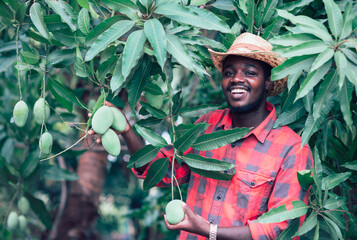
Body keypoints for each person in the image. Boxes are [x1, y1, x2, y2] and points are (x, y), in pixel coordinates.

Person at [90, 32, 313, 240]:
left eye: (250, 72)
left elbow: (282, 228)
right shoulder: (207, 126)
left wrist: (208, 231)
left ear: (268, 82)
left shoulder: (293, 148)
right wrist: (126, 130)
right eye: (229, 72)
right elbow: (164, 171)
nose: (236, 79)